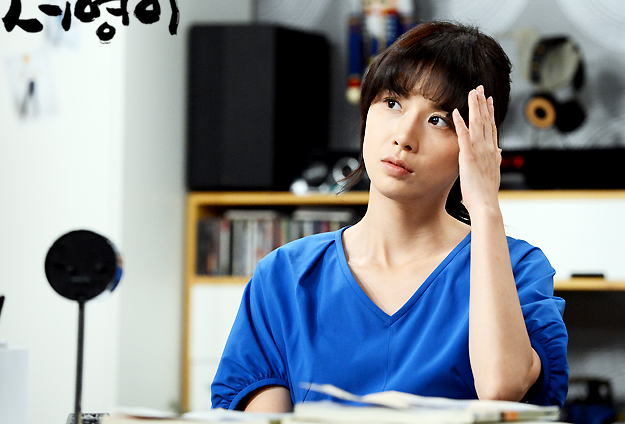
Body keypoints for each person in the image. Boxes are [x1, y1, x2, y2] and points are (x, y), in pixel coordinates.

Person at [211, 20, 569, 412]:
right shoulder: (286, 276)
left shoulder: (517, 269)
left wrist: (484, 206)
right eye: (393, 103)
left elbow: (502, 388)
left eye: (438, 120)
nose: (404, 136)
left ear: (478, 143)